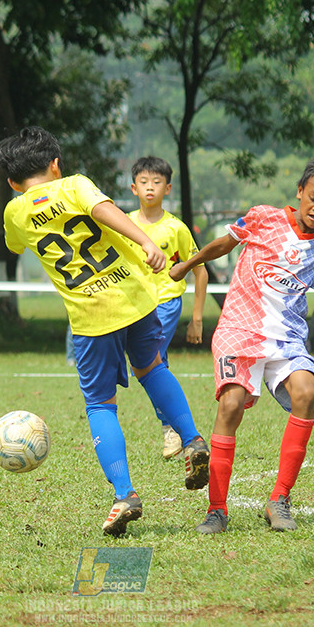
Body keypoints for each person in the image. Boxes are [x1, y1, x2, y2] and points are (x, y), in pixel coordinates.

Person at [168, 155, 314, 535]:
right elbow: (223, 244)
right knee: (230, 405)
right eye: (313, 198)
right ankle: (217, 510)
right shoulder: (263, 217)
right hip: (239, 329)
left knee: (306, 392)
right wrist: (186, 265)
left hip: (286, 337)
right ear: (300, 191)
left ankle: (279, 498)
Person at [0, 126, 209, 537]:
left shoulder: (14, 212)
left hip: (90, 317)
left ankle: (125, 494)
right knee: (152, 368)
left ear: (12, 182)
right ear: (55, 164)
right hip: (134, 296)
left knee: (100, 405)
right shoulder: (75, 184)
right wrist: (147, 242)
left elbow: (15, 245)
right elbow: (104, 210)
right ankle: (193, 439)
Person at [127, 155, 209, 460]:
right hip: (134, 305)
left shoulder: (176, 228)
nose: (150, 187)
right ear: (133, 188)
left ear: (168, 188)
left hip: (165, 303)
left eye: (157, 182)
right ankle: (175, 425)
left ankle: (171, 429)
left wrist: (196, 318)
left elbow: (200, 271)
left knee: (149, 363)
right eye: (144, 182)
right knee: (155, 365)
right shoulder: (124, 224)